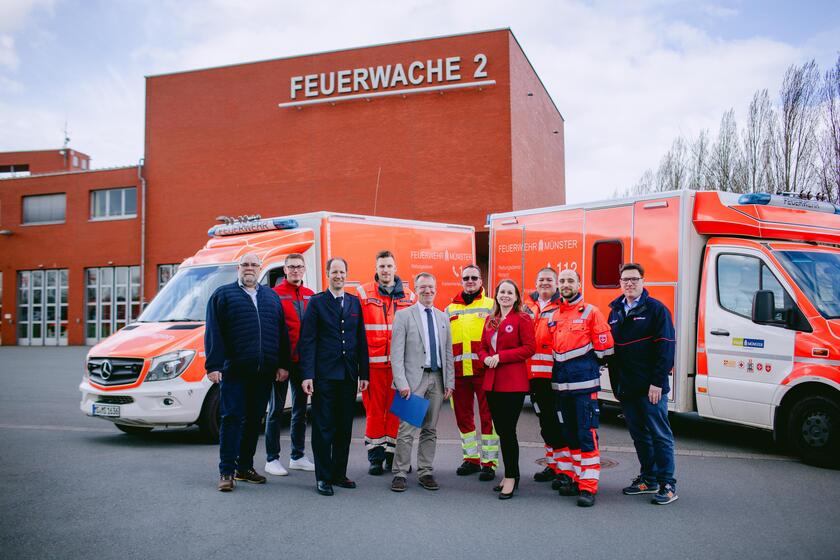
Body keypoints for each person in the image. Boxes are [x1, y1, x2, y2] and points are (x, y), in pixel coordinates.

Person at [204, 253, 291, 492]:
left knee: (254, 420)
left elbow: (281, 332)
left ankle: (244, 467)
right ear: (238, 268)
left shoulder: (271, 297)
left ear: (260, 269)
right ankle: (226, 471)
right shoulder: (223, 295)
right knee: (231, 419)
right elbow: (213, 331)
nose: (249, 268)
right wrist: (213, 365)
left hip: (263, 372)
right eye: (245, 264)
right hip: (235, 371)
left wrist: (283, 364)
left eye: (254, 265)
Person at [607, 263, 678, 505]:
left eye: (634, 279)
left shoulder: (656, 310)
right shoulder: (615, 311)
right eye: (625, 279)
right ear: (620, 283)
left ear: (643, 281)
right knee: (640, 436)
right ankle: (649, 478)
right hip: (627, 387)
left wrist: (658, 382)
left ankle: (667, 484)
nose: (629, 283)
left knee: (660, 435)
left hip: (650, 388)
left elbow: (666, 348)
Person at [299, 257, 370, 496]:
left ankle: (339, 473)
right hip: (324, 376)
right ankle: (323, 477)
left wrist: (364, 373)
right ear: (328, 274)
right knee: (323, 427)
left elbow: (360, 339)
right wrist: (307, 375)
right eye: (334, 272)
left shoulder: (354, 302)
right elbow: (308, 341)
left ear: (347, 274)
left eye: (342, 272)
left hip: (348, 375)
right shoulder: (317, 303)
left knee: (344, 427)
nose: (338, 276)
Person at [549, 268, 614, 507]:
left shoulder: (591, 312)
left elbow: (605, 349)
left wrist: (586, 366)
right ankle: (577, 479)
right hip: (561, 387)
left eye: (570, 280)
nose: (565, 284)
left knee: (586, 435)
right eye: (562, 281)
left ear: (579, 284)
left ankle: (588, 487)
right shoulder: (555, 314)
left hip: (584, 387)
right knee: (570, 435)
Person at [388, 272, 455, 492]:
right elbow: (396, 353)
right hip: (413, 381)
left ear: (436, 289)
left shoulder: (442, 317)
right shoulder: (404, 316)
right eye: (422, 287)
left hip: (437, 379)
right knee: (407, 429)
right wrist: (401, 383)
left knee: (430, 429)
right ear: (416, 290)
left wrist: (449, 382)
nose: (427, 290)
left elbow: (447, 352)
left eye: (430, 287)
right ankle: (400, 473)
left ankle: (425, 471)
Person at [357, 250, 416, 475]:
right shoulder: (363, 293)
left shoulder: (409, 296)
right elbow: (356, 332)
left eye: (389, 266)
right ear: (376, 268)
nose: (385, 270)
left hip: (400, 367)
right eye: (382, 266)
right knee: (374, 412)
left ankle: (395, 456)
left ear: (395, 268)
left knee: (399, 412)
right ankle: (375, 457)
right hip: (373, 366)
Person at [478, 280, 535, 500]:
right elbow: (482, 348)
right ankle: (512, 473)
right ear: (496, 295)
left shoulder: (523, 318)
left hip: (513, 383)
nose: (505, 295)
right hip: (492, 383)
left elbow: (529, 348)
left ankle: (511, 476)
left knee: (508, 431)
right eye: (502, 292)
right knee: (501, 430)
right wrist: (485, 358)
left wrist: (500, 357)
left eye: (510, 292)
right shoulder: (490, 320)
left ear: (516, 297)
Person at [264, 253, 316, 476]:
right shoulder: (274, 295)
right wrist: (279, 364)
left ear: (304, 269)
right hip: (282, 365)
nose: (295, 270)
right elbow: (272, 333)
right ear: (285, 270)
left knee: (300, 411)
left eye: (299, 266)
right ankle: (271, 459)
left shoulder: (310, 295)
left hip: (303, 365)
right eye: (291, 267)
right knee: (275, 411)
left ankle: (297, 456)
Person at [446, 264, 499, 481]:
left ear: (481, 281)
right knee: (463, 417)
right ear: (461, 281)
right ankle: (471, 459)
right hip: (458, 373)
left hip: (485, 371)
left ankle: (489, 462)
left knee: (489, 417)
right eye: (466, 278)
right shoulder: (449, 309)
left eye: (474, 278)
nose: (470, 281)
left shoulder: (491, 305)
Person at [522, 267, 569, 487]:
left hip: (554, 376)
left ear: (556, 283)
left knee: (559, 424)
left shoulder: (562, 306)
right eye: (541, 279)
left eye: (549, 279)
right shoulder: (528, 307)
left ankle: (564, 469)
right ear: (536, 282)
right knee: (545, 423)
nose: (545, 283)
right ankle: (552, 465)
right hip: (533, 376)